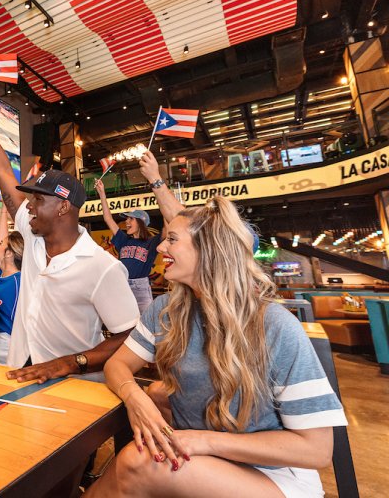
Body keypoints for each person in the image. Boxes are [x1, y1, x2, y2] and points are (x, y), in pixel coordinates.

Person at [85, 196, 348, 498]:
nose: (159, 248)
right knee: (131, 453)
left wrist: (204, 441)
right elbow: (116, 365)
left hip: (273, 475)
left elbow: (316, 451)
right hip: (204, 461)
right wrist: (136, 397)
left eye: (171, 239)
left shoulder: (274, 325)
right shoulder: (164, 310)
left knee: (135, 462)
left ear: (209, 249)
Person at [0, 90, 138, 383]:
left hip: (74, 384)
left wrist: (71, 363)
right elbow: (1, 173)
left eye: (38, 200)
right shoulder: (33, 235)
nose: (29, 207)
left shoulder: (102, 267)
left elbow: (129, 336)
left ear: (64, 206)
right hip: (21, 369)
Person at [95, 178, 160, 312]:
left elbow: (168, 227)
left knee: (145, 326)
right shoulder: (124, 240)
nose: (126, 222)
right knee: (124, 325)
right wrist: (102, 194)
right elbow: (108, 218)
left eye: (130, 219)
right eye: (126, 219)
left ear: (141, 222)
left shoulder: (151, 243)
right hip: (122, 286)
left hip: (141, 289)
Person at [0, 205, 23, 366]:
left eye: (1, 245)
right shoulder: (1, 277)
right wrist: (3, 210)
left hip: (8, 348)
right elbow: (1, 241)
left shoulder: (20, 280)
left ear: (9, 253)